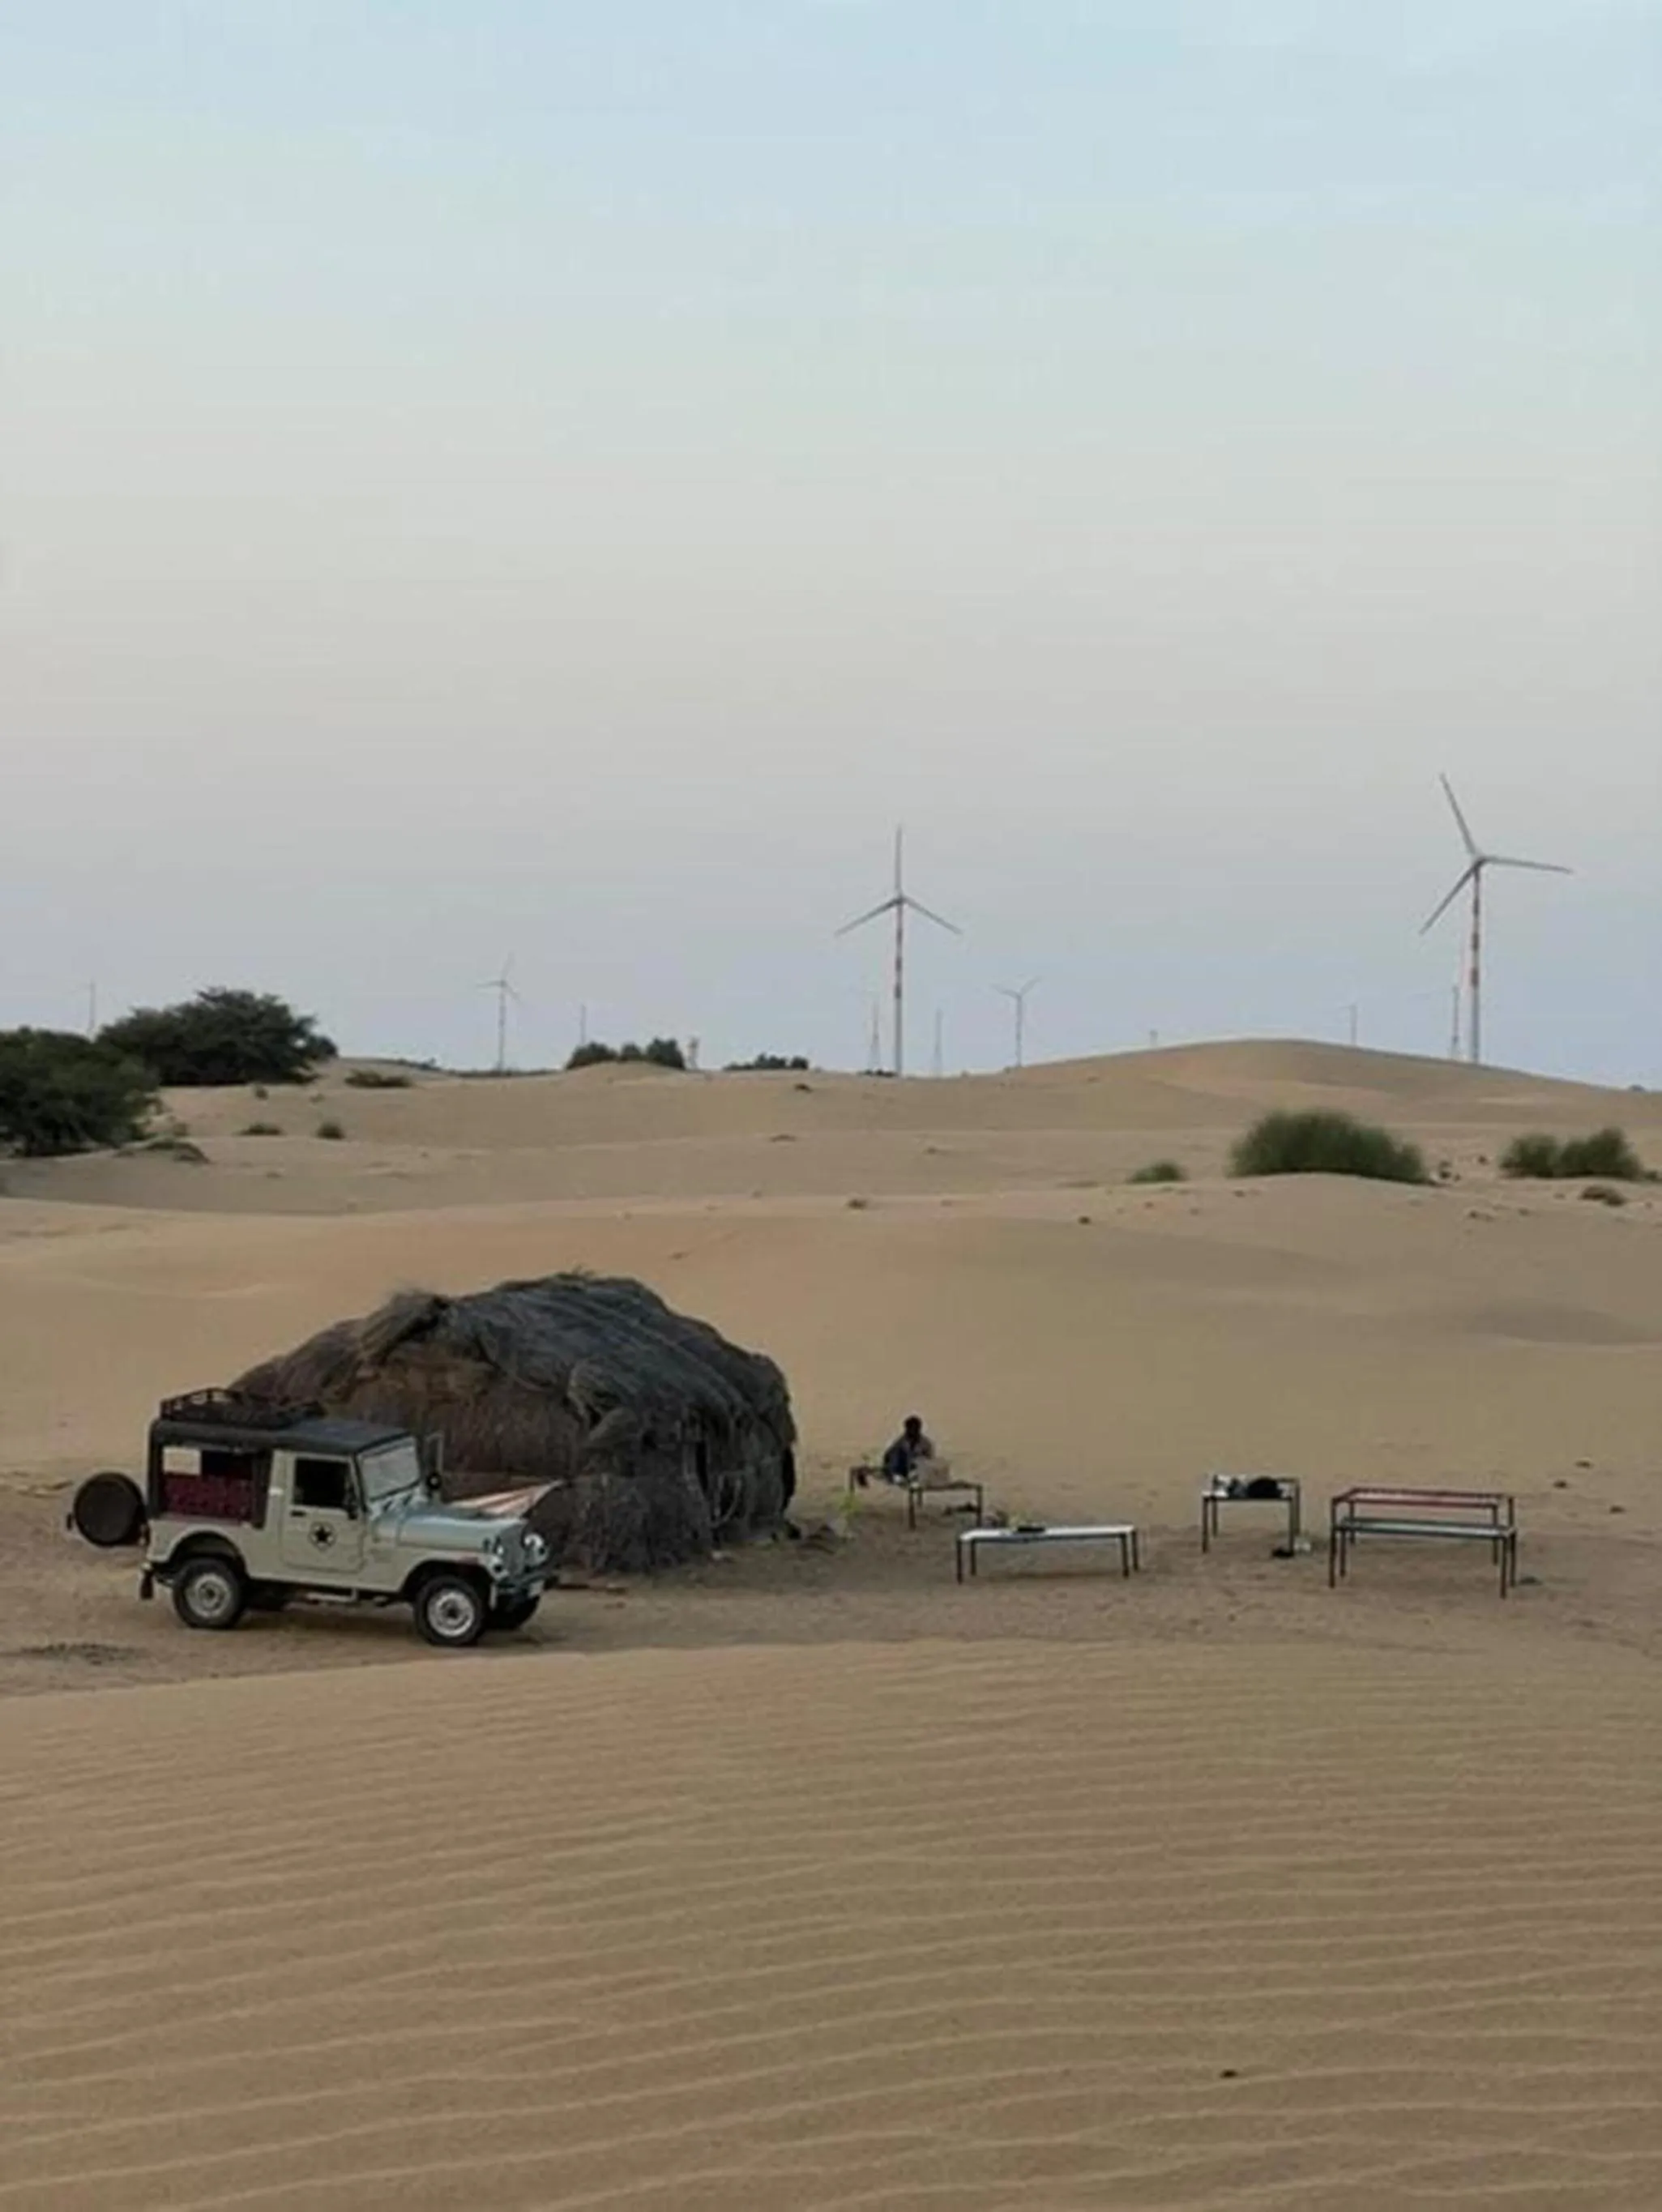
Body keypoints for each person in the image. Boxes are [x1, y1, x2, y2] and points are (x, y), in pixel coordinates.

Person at [880, 1415, 936, 1485]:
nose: (912, 1431)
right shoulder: (901, 1441)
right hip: (902, 1470)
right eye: (910, 1428)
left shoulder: (925, 1443)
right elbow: (888, 1455)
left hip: (918, 1472)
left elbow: (930, 1460)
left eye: (915, 1429)